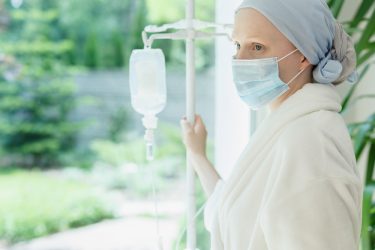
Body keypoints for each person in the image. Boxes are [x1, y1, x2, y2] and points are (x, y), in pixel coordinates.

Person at [180, 0, 363, 249]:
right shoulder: (285, 129)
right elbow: (230, 215)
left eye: (257, 47)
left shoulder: (311, 144)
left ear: (303, 56)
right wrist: (198, 156)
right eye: (237, 45)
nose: (239, 59)